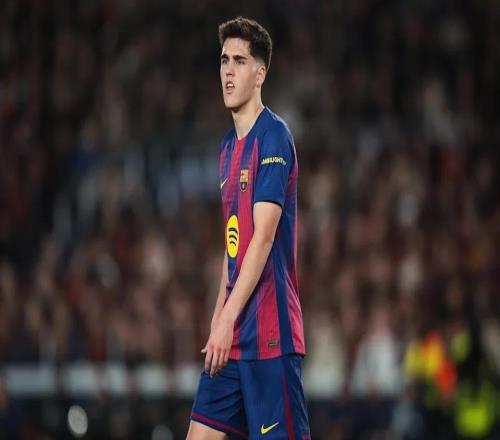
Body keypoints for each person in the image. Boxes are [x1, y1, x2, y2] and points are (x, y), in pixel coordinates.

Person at [187, 17, 310, 439]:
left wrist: (226, 318)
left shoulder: (274, 137)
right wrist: (217, 321)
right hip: (232, 340)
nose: (228, 71)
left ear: (260, 74)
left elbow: (263, 238)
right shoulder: (226, 149)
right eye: (224, 60)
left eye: (240, 61)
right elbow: (233, 246)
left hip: (271, 340)